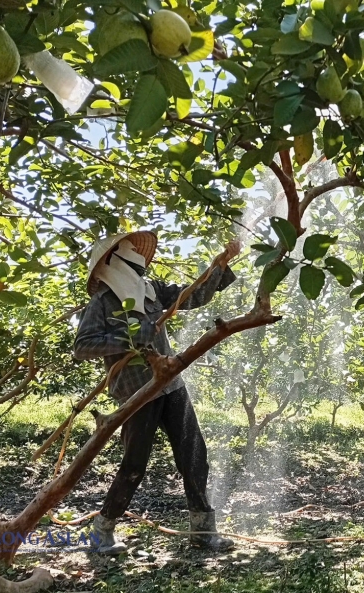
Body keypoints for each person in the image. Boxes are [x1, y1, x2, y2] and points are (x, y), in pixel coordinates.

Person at [73, 230, 241, 555]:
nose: (139, 261)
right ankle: (102, 532)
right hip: (137, 391)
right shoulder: (104, 301)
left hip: (171, 383)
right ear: (114, 262)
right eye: (131, 255)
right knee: (134, 464)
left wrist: (220, 265)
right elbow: (82, 346)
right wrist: (129, 340)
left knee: (194, 457)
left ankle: (203, 533)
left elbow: (192, 296)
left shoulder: (150, 290)